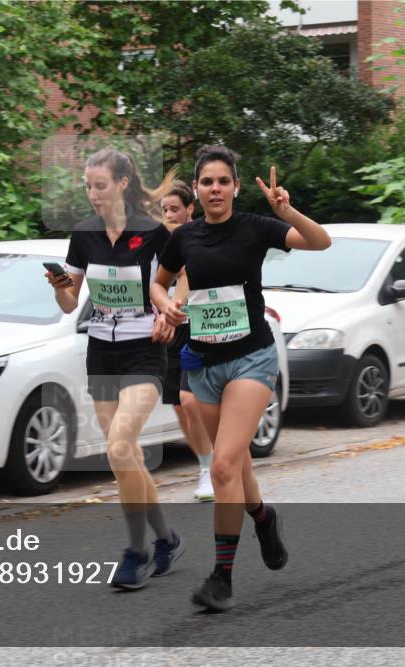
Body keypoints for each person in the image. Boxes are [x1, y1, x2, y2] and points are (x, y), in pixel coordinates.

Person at [151, 145, 330, 611]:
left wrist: (286, 210)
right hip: (204, 364)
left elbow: (321, 242)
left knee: (223, 465)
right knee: (237, 464)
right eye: (207, 182)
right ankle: (263, 518)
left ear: (234, 187)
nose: (216, 189)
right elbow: (158, 282)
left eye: (223, 181)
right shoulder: (184, 237)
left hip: (251, 359)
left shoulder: (255, 227)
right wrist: (165, 306)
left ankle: (221, 577)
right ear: (198, 190)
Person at [46, 148, 183, 590]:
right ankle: (166, 539)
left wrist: (170, 311)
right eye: (88, 186)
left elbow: (182, 278)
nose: (93, 194)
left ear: (122, 184)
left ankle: (136, 553)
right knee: (128, 456)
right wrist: (60, 288)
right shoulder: (84, 234)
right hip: (102, 351)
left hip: (145, 349)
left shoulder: (154, 233)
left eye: (100, 185)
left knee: (120, 447)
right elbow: (70, 304)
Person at [160, 181, 216, 502]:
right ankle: (206, 464)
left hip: (198, 325)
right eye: (164, 210)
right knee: (181, 408)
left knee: (192, 401)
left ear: (189, 209)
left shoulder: (197, 237)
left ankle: (212, 467)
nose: (169, 215)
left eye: (175, 209)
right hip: (171, 330)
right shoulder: (160, 242)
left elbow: (186, 277)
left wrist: (173, 310)